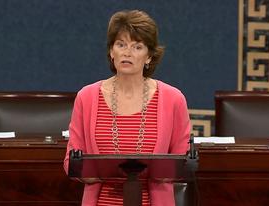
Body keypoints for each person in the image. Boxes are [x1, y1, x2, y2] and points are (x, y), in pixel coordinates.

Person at [64, 9, 191, 206]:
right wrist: (87, 171)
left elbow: (181, 163)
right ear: (111, 52)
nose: (127, 52)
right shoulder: (86, 97)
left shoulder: (173, 99)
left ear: (149, 56)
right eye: (121, 44)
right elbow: (70, 162)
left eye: (137, 47)